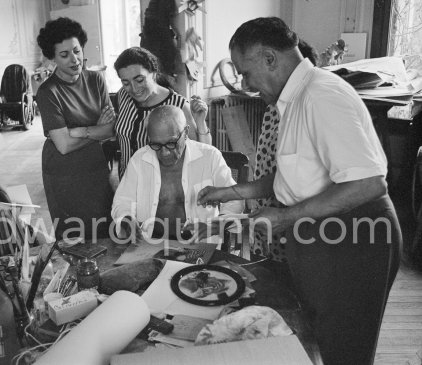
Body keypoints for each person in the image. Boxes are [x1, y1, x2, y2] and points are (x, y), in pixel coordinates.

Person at [197, 17, 401, 365]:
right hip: (324, 236)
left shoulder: (321, 95)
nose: (245, 84)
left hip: (353, 238)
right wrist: (231, 192)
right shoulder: (295, 99)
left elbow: (368, 182)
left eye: (245, 72)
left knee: (347, 351)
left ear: (270, 58)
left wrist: (285, 217)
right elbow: (292, 174)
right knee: (325, 340)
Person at [112, 105, 242, 242]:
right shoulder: (139, 160)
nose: (164, 152)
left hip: (200, 244)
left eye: (171, 143)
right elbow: (122, 201)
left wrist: (216, 225)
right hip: (150, 243)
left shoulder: (210, 157)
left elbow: (235, 198)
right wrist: (127, 221)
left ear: (186, 132)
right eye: (156, 145)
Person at [36, 17, 116, 240]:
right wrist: (95, 129)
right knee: (76, 240)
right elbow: (63, 146)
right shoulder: (47, 92)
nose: (75, 59)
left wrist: (80, 131)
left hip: (97, 167)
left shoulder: (96, 80)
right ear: (52, 58)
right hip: (64, 174)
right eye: (64, 55)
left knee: (104, 231)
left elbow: (110, 129)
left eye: (77, 51)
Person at [251, 38, 319, 262]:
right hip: (266, 211)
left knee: (291, 273)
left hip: (292, 218)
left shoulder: (310, 111)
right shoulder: (273, 108)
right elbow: (265, 164)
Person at [113, 47, 211, 179]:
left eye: (140, 80)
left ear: (153, 73)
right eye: (126, 83)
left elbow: (199, 152)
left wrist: (200, 122)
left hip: (162, 188)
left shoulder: (178, 105)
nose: (134, 88)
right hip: (127, 184)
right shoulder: (123, 96)